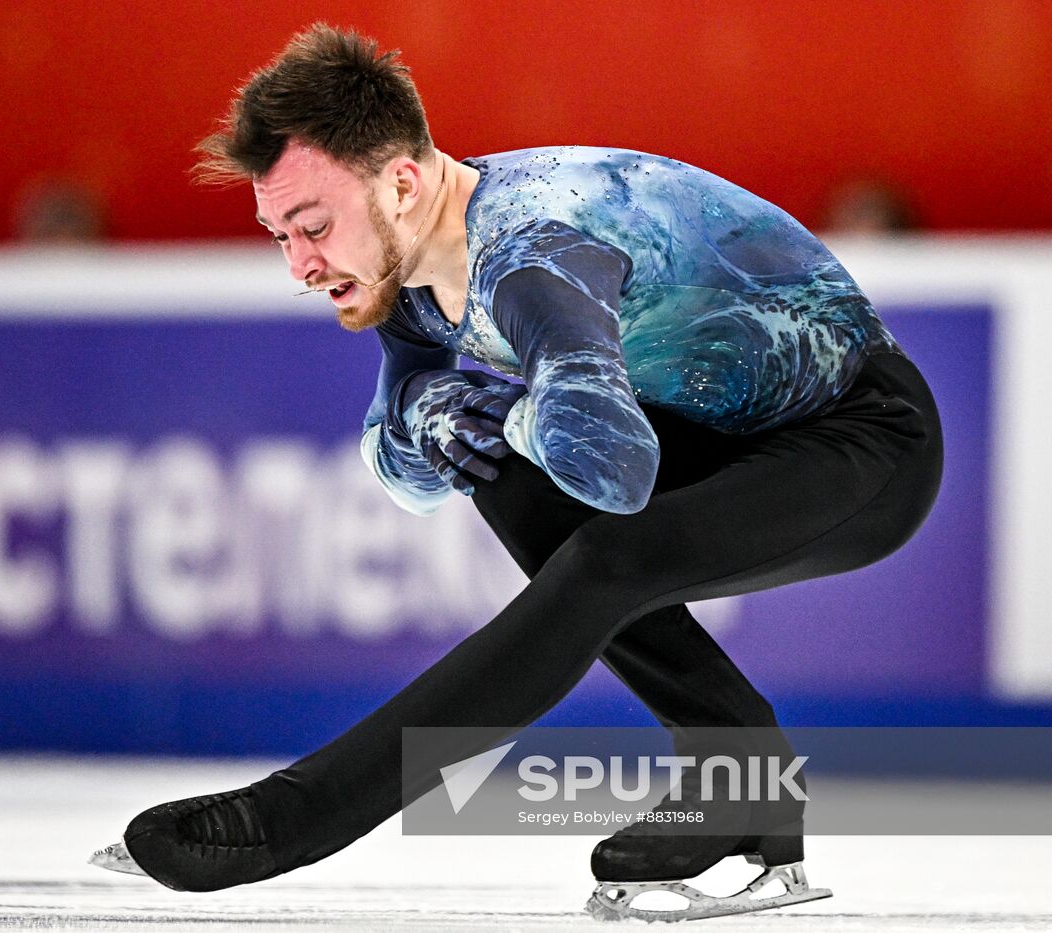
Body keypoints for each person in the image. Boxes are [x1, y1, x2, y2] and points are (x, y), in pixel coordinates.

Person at [90, 24, 943, 920]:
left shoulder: (532, 250)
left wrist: (492, 409)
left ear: (403, 183)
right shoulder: (409, 263)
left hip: (863, 439)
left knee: (601, 556)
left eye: (312, 227)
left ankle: (297, 814)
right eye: (279, 237)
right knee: (498, 467)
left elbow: (616, 467)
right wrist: (431, 414)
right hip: (720, 426)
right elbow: (407, 472)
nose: (302, 265)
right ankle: (744, 775)